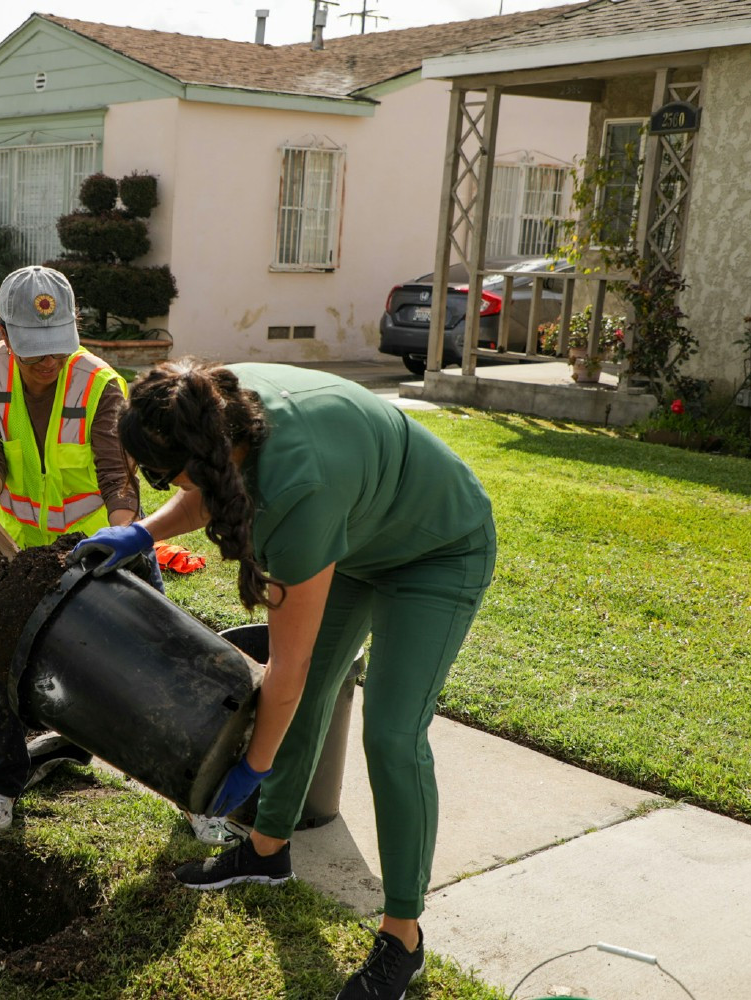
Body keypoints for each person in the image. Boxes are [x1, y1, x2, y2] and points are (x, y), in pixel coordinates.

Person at [72, 360, 495, 1000]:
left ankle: (403, 936)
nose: (166, 486)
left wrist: (252, 768)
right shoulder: (213, 401)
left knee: (390, 734)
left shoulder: (299, 488)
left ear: (198, 455)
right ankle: (268, 851)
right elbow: (208, 484)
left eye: (162, 477)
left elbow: (286, 674)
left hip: (439, 548)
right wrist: (142, 533)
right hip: (354, 539)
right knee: (311, 692)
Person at [0, 265, 232, 843]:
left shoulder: (98, 382)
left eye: (56, 351)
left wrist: (121, 541)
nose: (48, 363)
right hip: (29, 552)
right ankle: (0, 788)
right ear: (3, 331)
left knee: (158, 672)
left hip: (108, 547)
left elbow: (115, 478)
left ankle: (200, 800)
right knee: (4, 663)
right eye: (34, 353)